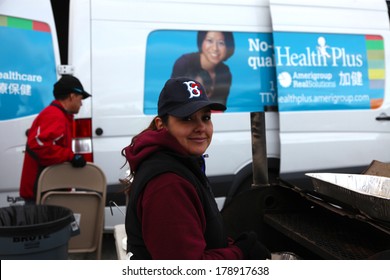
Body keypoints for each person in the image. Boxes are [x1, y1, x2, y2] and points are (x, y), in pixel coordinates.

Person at [122, 77, 270, 259]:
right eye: (187, 118)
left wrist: (232, 245)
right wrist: (240, 252)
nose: (201, 127)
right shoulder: (167, 184)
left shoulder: (181, 161)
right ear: (162, 125)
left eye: (206, 117)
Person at [19, 75, 91, 204]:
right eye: (80, 98)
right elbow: (39, 146)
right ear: (72, 96)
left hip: (47, 190)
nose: (81, 103)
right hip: (40, 195)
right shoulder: (54, 115)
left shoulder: (59, 115)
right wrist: (71, 156)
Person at [171, 31, 235, 106]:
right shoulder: (184, 63)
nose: (215, 48)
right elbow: (173, 101)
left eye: (221, 43)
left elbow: (220, 107)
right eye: (210, 41)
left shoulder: (224, 71)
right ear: (201, 42)